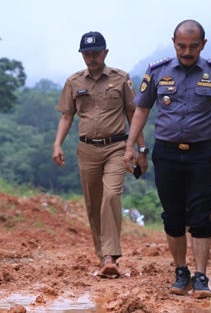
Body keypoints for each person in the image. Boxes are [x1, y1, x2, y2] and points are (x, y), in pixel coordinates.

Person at [123, 19, 211, 299]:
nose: (187, 52)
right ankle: (181, 272)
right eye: (181, 46)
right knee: (173, 216)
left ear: (203, 44)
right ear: (173, 43)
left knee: (201, 216)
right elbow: (141, 111)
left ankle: (201, 277)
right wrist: (131, 147)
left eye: (193, 46)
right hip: (166, 153)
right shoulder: (157, 72)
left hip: (201, 154)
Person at [52, 31, 147, 279]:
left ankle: (110, 256)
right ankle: (102, 256)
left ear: (105, 52)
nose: (91, 58)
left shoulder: (121, 79)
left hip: (116, 147)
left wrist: (140, 149)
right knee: (93, 204)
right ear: (82, 55)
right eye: (87, 53)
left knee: (111, 196)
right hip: (87, 150)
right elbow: (66, 116)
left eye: (96, 53)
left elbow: (133, 114)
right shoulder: (74, 82)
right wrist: (57, 144)